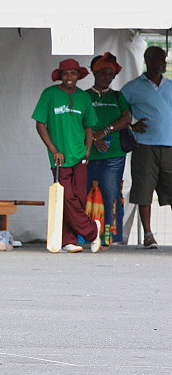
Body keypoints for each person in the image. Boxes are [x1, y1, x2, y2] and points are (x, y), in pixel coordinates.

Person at [32, 59, 101, 253]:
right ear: (60, 76)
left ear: (78, 75)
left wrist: (88, 150)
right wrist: (54, 150)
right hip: (59, 158)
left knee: (78, 198)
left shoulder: (84, 98)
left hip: (79, 155)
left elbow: (88, 126)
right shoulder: (49, 94)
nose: (69, 77)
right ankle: (92, 231)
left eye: (73, 73)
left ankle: (69, 241)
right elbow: (40, 124)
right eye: (65, 73)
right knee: (66, 197)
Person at [121, 46, 172, 249]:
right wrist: (131, 126)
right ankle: (148, 235)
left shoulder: (170, 85)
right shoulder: (132, 87)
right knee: (144, 190)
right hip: (144, 146)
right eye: (160, 59)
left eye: (164, 59)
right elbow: (120, 111)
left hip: (170, 146)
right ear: (148, 60)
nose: (164, 63)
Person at [85, 52, 132, 246]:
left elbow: (126, 118)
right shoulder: (84, 96)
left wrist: (104, 132)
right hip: (88, 154)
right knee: (86, 194)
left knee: (111, 194)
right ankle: (87, 235)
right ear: (94, 73)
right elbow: (78, 121)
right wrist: (93, 138)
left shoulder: (117, 96)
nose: (107, 77)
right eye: (103, 73)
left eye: (111, 74)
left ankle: (109, 237)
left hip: (114, 155)